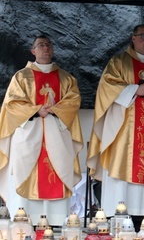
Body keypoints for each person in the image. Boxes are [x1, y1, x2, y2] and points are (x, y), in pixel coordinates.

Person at [87, 24, 144, 223]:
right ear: (133, 38)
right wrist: (135, 90)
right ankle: (117, 214)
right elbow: (107, 87)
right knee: (122, 165)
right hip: (124, 130)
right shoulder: (119, 62)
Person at [0, 35, 83, 225]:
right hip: (29, 134)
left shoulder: (66, 78)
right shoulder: (21, 77)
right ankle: (25, 222)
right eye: (41, 45)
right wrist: (37, 110)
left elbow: (73, 101)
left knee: (58, 171)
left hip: (57, 135)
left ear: (52, 50)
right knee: (27, 173)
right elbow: (12, 104)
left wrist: (52, 109)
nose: (45, 48)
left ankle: (56, 221)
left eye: (48, 45)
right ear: (33, 51)